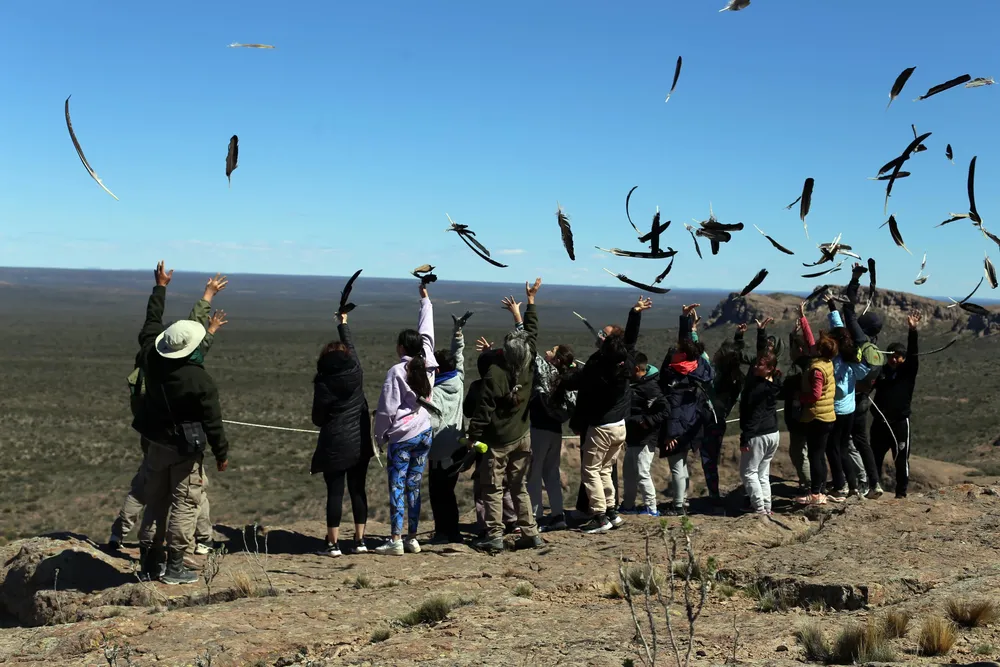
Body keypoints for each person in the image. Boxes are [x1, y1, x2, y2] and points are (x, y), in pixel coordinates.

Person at [110, 273, 228, 554]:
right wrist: (208, 306)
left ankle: (125, 537)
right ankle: (199, 543)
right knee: (190, 492)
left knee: (149, 488)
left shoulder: (149, 356)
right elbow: (192, 342)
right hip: (182, 443)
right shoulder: (193, 377)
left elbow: (154, 321)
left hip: (152, 434)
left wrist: (160, 287)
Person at [465, 279, 544, 553]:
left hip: (497, 441)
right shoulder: (529, 365)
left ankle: (495, 535)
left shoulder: (494, 374)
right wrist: (529, 304)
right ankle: (530, 532)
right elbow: (531, 334)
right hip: (523, 435)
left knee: (492, 487)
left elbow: (483, 411)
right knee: (519, 485)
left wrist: (472, 438)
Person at [564, 296, 650, 534]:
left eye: (604, 335)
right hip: (619, 426)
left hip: (601, 427)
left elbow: (576, 384)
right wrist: (635, 313)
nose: (600, 336)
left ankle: (600, 516)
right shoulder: (626, 361)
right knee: (604, 469)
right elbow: (630, 340)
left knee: (591, 471)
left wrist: (565, 371)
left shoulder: (598, 365)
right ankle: (612, 511)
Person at [373, 282, 438, 555]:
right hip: (425, 432)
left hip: (402, 436)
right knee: (414, 485)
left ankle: (396, 539)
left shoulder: (397, 371)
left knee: (398, 485)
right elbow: (428, 335)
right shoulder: (429, 363)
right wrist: (426, 301)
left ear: (401, 347)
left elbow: (387, 409)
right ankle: (412, 537)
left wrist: (379, 437)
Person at [310, 308, 372, 557]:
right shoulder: (356, 372)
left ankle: (333, 544)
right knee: (358, 490)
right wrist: (343, 324)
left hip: (334, 443)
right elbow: (352, 350)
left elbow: (317, 418)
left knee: (335, 493)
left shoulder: (323, 382)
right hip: (360, 441)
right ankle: (360, 540)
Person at [695, 318, 766, 503]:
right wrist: (739, 337)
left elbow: (699, 354)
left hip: (701, 421)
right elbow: (737, 357)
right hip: (719, 422)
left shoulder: (712, 374)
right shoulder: (738, 380)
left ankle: (705, 498)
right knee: (710, 460)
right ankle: (714, 495)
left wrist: (692, 330)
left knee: (701, 459)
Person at [658, 305, 714, 516]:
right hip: (691, 425)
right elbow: (689, 346)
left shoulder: (676, 377)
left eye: (676, 351)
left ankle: (678, 506)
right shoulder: (696, 367)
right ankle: (682, 501)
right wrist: (685, 321)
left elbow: (674, 408)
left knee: (676, 467)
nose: (672, 352)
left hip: (678, 427)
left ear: (682, 355)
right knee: (681, 466)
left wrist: (671, 434)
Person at [842, 264, 888, 499]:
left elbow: (847, 310)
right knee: (862, 441)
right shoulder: (876, 349)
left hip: (852, 399)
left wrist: (855, 279)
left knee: (842, 442)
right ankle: (875, 483)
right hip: (865, 399)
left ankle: (853, 485)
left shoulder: (860, 339)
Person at [527, 342, 579, 531]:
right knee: (551, 473)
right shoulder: (568, 377)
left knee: (534, 474)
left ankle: (537, 517)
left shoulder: (546, 372)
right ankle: (558, 515)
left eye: (552, 351)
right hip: (556, 429)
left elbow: (531, 351)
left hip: (539, 428)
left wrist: (520, 324)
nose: (547, 351)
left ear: (556, 359)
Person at [427, 315, 469, 545]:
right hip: (458, 447)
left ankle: (445, 532)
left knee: (439, 493)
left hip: (440, 452)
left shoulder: (435, 393)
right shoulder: (458, 380)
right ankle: (451, 531)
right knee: (448, 492)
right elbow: (458, 356)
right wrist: (458, 333)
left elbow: (433, 423)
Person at [870, 310, 922, 499]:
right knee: (874, 458)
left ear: (903, 358)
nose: (894, 358)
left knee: (901, 459)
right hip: (880, 423)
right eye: (891, 355)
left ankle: (901, 494)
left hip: (900, 424)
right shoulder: (881, 372)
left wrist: (912, 330)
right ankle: (872, 489)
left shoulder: (907, 373)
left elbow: (913, 354)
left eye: (898, 356)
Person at [824, 300, 871, 500]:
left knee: (833, 449)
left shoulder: (836, 363)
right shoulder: (852, 360)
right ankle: (852, 486)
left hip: (836, 412)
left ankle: (840, 486)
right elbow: (840, 330)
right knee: (843, 447)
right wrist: (833, 308)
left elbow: (839, 389)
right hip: (850, 411)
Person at [620, 352, 668, 516]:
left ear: (636, 368)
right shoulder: (634, 384)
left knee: (642, 473)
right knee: (629, 474)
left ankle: (651, 508)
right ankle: (628, 505)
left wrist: (647, 421)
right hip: (633, 437)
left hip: (645, 437)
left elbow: (665, 410)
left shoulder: (650, 387)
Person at [795, 331, 838, 506]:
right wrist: (803, 321)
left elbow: (815, 394)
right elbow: (811, 340)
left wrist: (800, 398)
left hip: (817, 417)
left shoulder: (817, 369)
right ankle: (820, 490)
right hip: (828, 415)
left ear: (819, 350)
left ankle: (814, 494)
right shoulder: (828, 363)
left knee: (815, 456)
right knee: (820, 455)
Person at [739, 352, 782, 515]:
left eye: (760, 365)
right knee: (762, 473)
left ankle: (759, 508)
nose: (755, 366)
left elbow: (754, 416)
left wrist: (745, 438)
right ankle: (766, 507)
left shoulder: (758, 389)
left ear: (769, 368)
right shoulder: (774, 384)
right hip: (773, 432)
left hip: (758, 434)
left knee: (749, 472)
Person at [781, 304, 816, 491]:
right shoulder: (812, 360)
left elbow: (787, 389)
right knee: (807, 451)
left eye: (793, 347)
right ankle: (812, 483)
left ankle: (808, 485)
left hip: (799, 417)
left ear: (799, 350)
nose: (790, 351)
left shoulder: (798, 369)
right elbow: (809, 342)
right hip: (812, 416)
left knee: (798, 452)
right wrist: (797, 329)